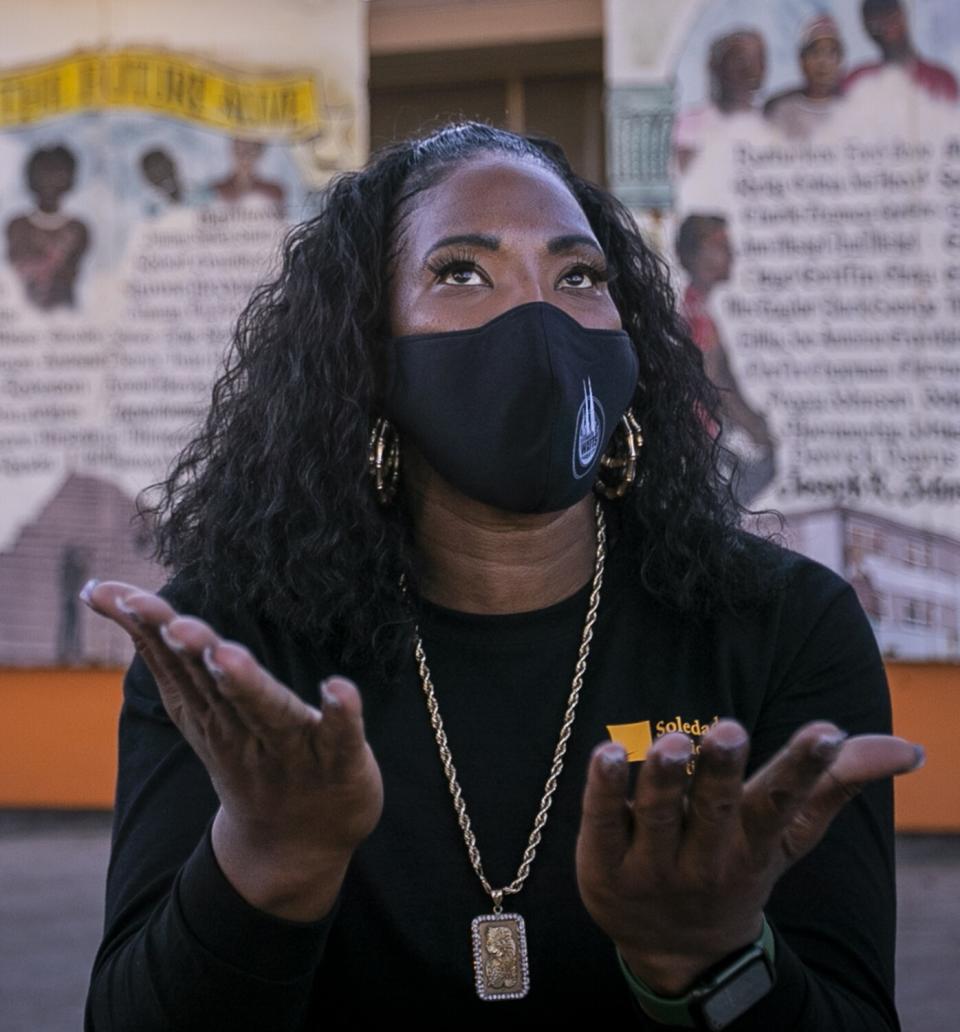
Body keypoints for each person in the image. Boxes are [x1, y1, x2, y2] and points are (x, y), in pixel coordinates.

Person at [84, 123, 920, 1027]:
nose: (541, 319)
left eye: (579, 277)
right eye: (462, 273)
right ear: (365, 352)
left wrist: (710, 964)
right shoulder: (235, 653)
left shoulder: (783, 629)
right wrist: (265, 861)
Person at [676, 213, 775, 505]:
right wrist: (755, 429)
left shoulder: (700, 309)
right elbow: (714, 382)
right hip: (701, 442)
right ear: (699, 252)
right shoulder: (694, 315)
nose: (731, 254)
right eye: (721, 245)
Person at [6, 144, 90, 310]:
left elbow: (71, 273)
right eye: (43, 173)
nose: (49, 181)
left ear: (71, 179)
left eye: (57, 173)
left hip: (66, 320)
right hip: (20, 319)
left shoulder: (78, 229)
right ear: (30, 178)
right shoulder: (17, 227)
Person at [674, 29, 767, 174]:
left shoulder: (773, 122)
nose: (750, 68)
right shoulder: (688, 125)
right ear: (717, 65)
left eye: (758, 59)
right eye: (740, 58)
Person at [845, 0, 958, 102]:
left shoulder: (941, 80)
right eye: (874, 21)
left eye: (891, 15)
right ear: (867, 29)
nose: (885, 23)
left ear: (904, 15)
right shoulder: (858, 82)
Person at [764, 15, 845, 140]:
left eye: (831, 53)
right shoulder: (781, 110)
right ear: (801, 61)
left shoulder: (853, 107)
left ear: (840, 61)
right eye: (815, 53)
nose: (823, 62)